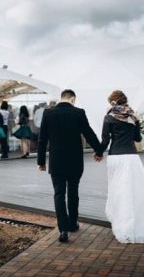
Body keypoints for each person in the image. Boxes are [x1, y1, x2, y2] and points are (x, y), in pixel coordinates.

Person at [101, 90, 144, 243]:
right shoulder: (133, 116)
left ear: (112, 102)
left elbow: (105, 141)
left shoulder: (109, 117)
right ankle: (138, 225)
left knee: (119, 191)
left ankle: (123, 225)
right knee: (135, 191)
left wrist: (98, 153)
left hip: (116, 157)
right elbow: (137, 137)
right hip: (131, 157)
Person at [38, 89, 103, 243]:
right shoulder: (79, 113)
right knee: (73, 192)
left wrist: (41, 162)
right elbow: (89, 134)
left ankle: (63, 230)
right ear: (73, 99)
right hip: (75, 161)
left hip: (56, 161)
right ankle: (73, 224)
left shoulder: (48, 113)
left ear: (61, 98)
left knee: (59, 194)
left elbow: (42, 140)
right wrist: (99, 151)